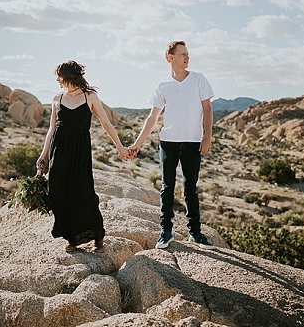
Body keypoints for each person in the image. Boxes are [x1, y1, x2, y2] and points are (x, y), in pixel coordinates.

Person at [129, 41, 215, 250]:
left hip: (193, 142)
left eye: (188, 54)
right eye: (183, 54)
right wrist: (137, 144)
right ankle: (165, 233)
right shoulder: (163, 86)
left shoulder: (198, 79)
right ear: (170, 57)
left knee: (190, 188)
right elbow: (152, 118)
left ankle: (195, 234)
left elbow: (208, 109)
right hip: (168, 142)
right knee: (167, 188)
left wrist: (207, 137)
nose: (187, 57)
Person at [37, 60, 130, 253]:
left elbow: (106, 123)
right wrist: (43, 155)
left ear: (70, 76)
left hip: (80, 151)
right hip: (59, 150)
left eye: (59, 76)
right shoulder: (57, 98)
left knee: (83, 191)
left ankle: (97, 236)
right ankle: (71, 238)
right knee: (59, 190)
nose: (57, 79)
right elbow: (51, 129)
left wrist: (120, 147)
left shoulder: (90, 97)